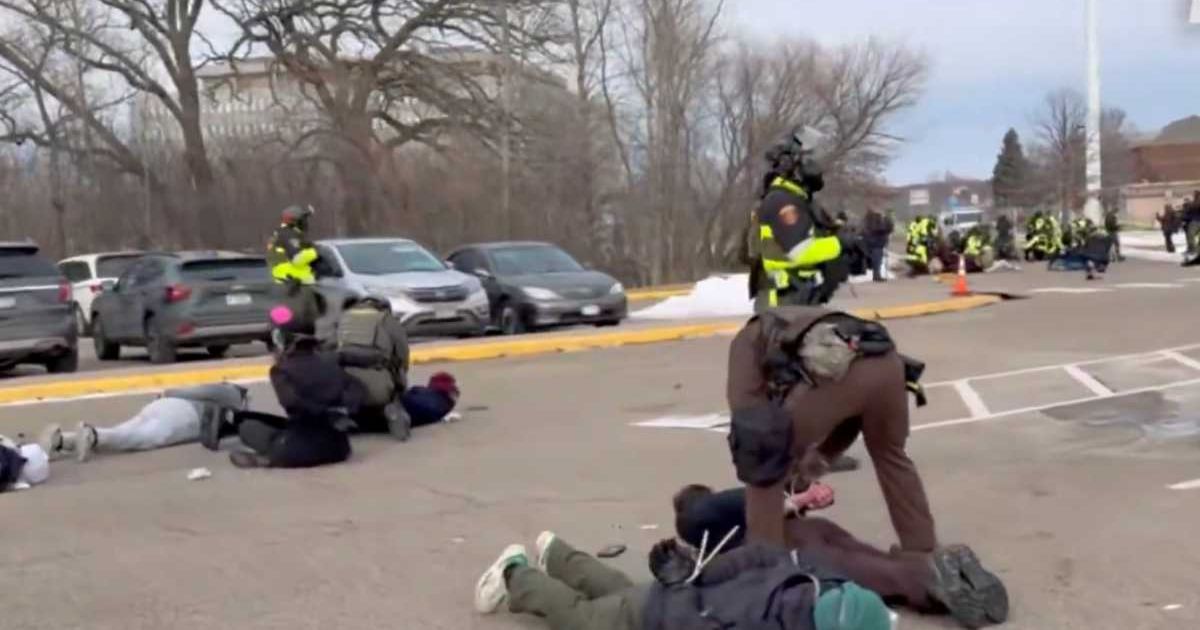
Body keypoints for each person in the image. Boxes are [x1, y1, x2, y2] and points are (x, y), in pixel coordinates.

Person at [726, 306, 936, 555]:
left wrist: (776, 463)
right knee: (891, 456)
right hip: (888, 364)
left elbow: (752, 425)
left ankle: (767, 570)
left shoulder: (746, 344)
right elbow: (853, 414)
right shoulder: (797, 326)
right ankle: (923, 553)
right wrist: (817, 460)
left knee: (762, 459)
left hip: (838, 368)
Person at [672, 484, 1009, 629]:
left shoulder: (696, 520)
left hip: (796, 547)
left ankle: (933, 583)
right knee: (877, 562)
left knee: (880, 577)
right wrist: (797, 501)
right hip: (811, 529)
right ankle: (938, 571)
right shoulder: (738, 507)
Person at [475, 531, 896, 630]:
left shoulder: (817, 576)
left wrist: (700, 573)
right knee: (583, 619)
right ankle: (515, 573)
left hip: (684, 593)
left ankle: (558, 555)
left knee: (621, 590)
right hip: (665, 615)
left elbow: (759, 554)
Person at [228, 305, 361, 469]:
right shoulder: (330, 360)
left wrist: (324, 414)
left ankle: (266, 459)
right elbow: (356, 387)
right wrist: (340, 411)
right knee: (276, 424)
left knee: (248, 427)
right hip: (338, 449)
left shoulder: (281, 370)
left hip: (296, 451)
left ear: (280, 338)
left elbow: (292, 403)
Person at [749, 129, 847, 311]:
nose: (816, 165)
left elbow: (817, 235)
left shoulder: (798, 198)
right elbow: (800, 251)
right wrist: (840, 244)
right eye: (809, 158)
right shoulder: (781, 201)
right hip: (782, 304)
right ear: (791, 164)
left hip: (800, 296)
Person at [38, 384, 249, 460]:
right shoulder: (232, 393)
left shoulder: (231, 402)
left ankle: (63, 441)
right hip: (184, 416)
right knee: (138, 439)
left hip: (164, 406)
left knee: (123, 434)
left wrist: (166, 395)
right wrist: (170, 392)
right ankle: (92, 434)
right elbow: (203, 391)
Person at [334, 295, 412, 440]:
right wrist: (401, 382)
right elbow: (402, 355)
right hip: (381, 387)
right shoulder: (386, 319)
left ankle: (343, 418)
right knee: (394, 388)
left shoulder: (341, 319)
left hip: (346, 389)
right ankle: (393, 412)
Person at [862, 209, 892, 282]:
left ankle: (876, 275)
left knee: (875, 260)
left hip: (870, 242)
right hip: (877, 243)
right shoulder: (876, 219)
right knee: (877, 261)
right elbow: (883, 229)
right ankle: (876, 276)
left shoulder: (867, 220)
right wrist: (888, 222)